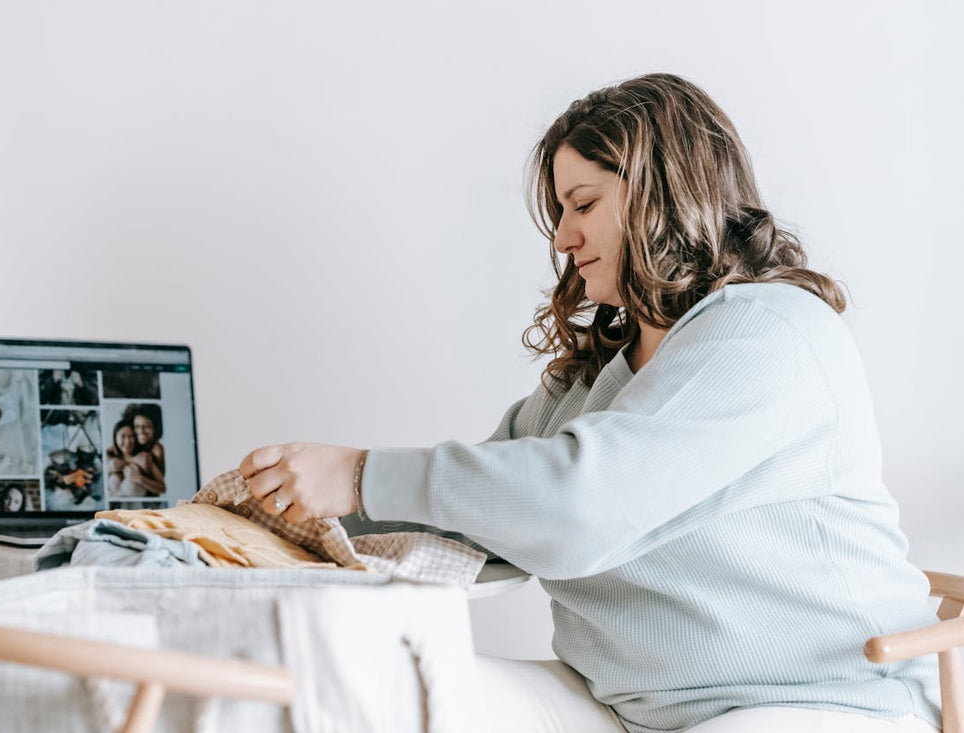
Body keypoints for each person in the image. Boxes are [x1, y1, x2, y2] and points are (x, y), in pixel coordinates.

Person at [233, 73, 942, 733]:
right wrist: (293, 510)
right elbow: (484, 515)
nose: (564, 238)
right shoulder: (596, 372)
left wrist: (356, 471)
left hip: (814, 698)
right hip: (624, 704)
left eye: (584, 204)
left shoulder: (769, 333)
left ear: (662, 193)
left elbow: (581, 501)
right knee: (376, 685)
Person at [106, 419, 166, 497]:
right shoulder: (110, 456)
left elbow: (162, 488)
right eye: (123, 436)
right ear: (115, 438)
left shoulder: (144, 459)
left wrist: (139, 478)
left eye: (131, 436)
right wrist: (108, 470)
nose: (127, 441)